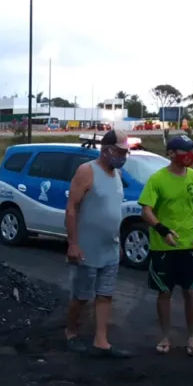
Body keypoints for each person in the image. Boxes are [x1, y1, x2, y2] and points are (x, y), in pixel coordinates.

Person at [138, 134, 193, 356]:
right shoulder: (157, 179)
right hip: (163, 248)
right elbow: (146, 210)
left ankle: (192, 336)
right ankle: (166, 335)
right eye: (184, 150)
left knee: (192, 292)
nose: (190, 155)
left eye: (192, 150)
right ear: (171, 154)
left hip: (190, 246)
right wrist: (162, 230)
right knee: (164, 293)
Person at [64, 129, 133, 358]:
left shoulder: (117, 176)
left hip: (110, 247)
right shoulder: (87, 172)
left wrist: (119, 243)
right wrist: (73, 243)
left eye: (125, 152)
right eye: (119, 151)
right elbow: (72, 208)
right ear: (106, 150)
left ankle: (101, 340)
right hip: (87, 247)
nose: (122, 156)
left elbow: (114, 212)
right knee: (82, 295)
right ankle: (71, 332)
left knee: (105, 295)